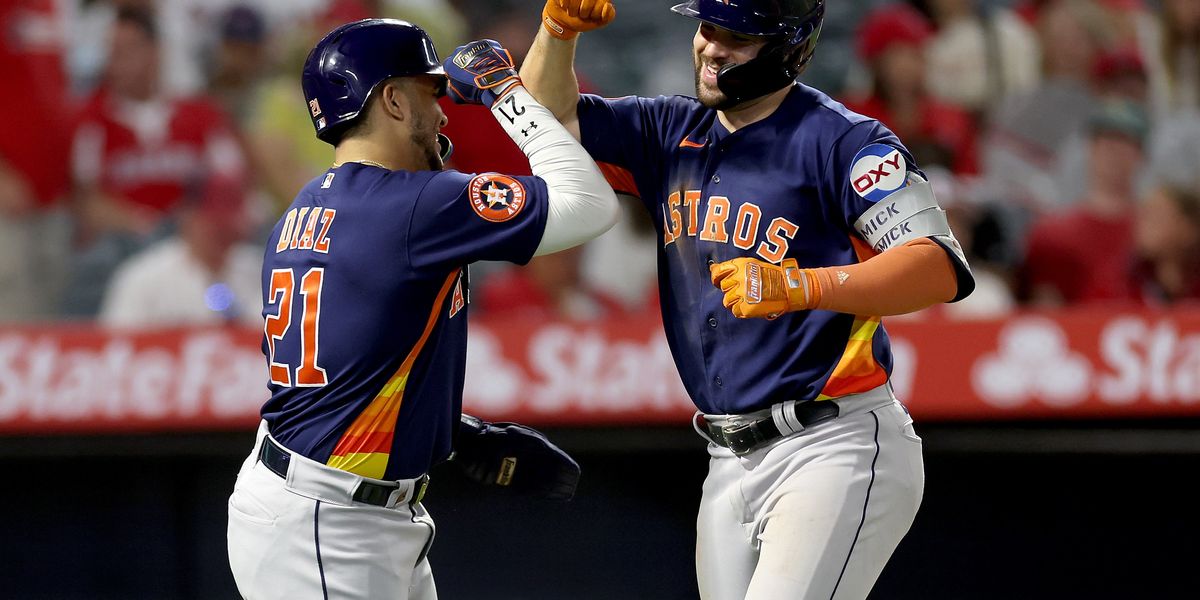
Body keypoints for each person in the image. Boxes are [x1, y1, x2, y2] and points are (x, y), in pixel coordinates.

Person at [521, 1, 974, 599]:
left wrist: (802, 285)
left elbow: (939, 265)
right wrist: (557, 31)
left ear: (787, 49)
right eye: (707, 28)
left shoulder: (847, 141)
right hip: (727, 456)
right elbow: (543, 120)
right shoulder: (668, 131)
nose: (711, 47)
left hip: (832, 441)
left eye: (738, 37)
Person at [226, 19, 620, 599]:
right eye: (430, 92)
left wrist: (446, 430)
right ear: (390, 99)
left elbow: (344, 370)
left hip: (328, 503)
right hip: (328, 524)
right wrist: (502, 93)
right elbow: (588, 206)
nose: (442, 113)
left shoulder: (304, 208)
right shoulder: (413, 204)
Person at [98, 176, 263, 328]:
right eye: (214, 224)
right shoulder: (143, 278)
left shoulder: (263, 271)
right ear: (189, 215)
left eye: (229, 225)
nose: (224, 232)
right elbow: (115, 346)